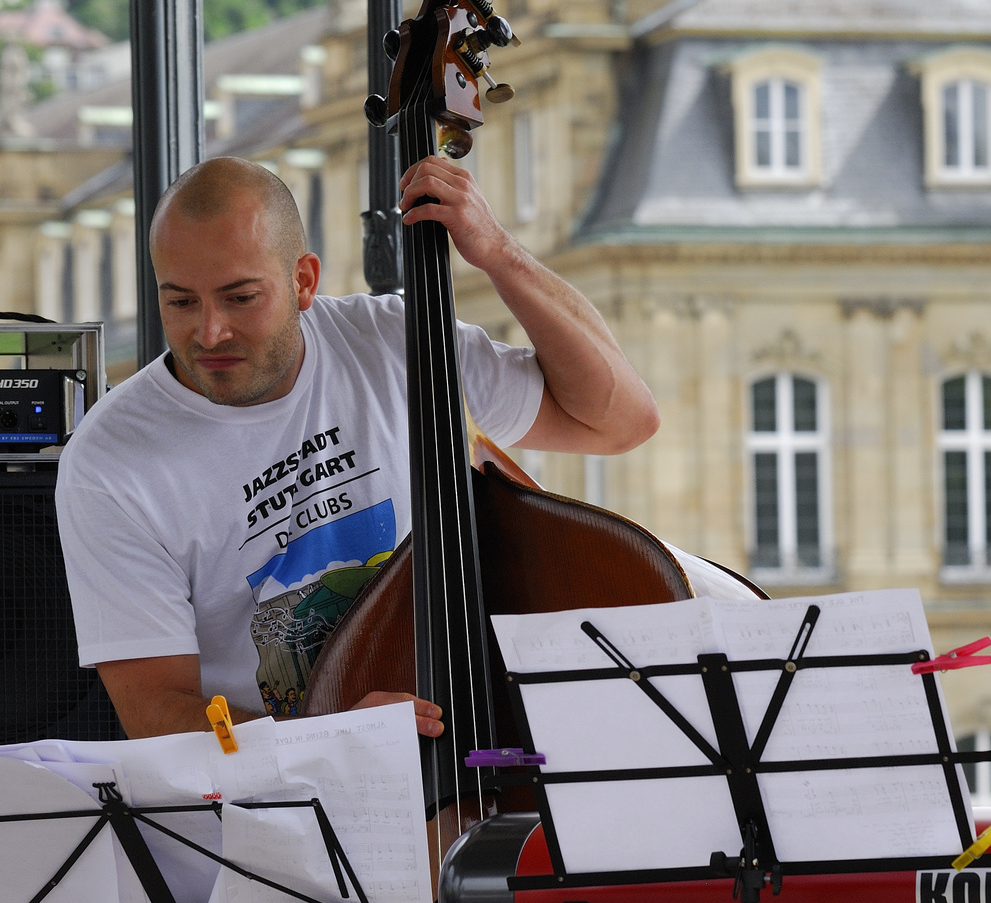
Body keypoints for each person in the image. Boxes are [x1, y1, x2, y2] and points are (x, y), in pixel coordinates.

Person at [57, 155, 659, 740]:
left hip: (457, 739)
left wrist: (498, 255)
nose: (209, 332)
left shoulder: (394, 341)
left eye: (241, 298)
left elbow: (618, 422)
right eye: (180, 301)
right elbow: (157, 714)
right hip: (271, 805)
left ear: (304, 281)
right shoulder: (111, 460)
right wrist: (330, 737)